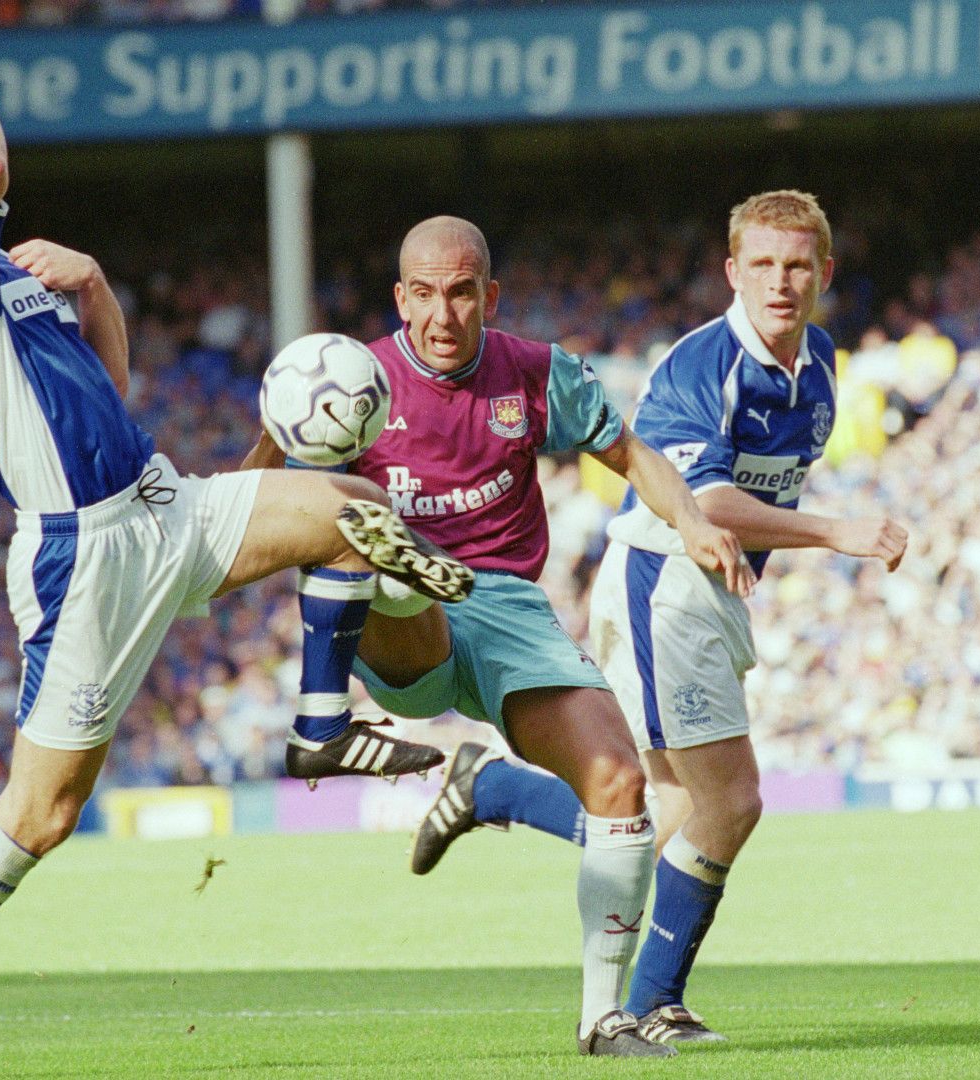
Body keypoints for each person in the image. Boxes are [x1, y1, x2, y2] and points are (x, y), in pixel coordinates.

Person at [0, 21, 474, 1079]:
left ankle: (320, 730)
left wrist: (95, 287)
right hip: (86, 561)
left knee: (348, 506)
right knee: (42, 815)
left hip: (162, 501)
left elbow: (104, 391)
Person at [244, 216, 753, 1057]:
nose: (443, 315)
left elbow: (631, 454)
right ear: (400, 298)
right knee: (384, 563)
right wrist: (278, 427)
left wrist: (693, 521)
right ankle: (398, 580)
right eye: (425, 295)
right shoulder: (350, 386)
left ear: (488, 294)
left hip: (512, 611)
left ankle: (603, 1020)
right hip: (409, 626)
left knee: (622, 786)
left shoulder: (536, 374)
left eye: (462, 292)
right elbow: (247, 505)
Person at [588, 190, 909, 1044]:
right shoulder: (700, 366)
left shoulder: (821, 360)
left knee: (661, 806)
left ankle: (492, 788)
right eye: (761, 264)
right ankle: (654, 1004)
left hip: (711, 599)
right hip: (665, 583)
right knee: (730, 801)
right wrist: (837, 531)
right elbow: (712, 502)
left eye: (797, 265)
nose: (780, 281)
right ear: (732, 271)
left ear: (824, 273)